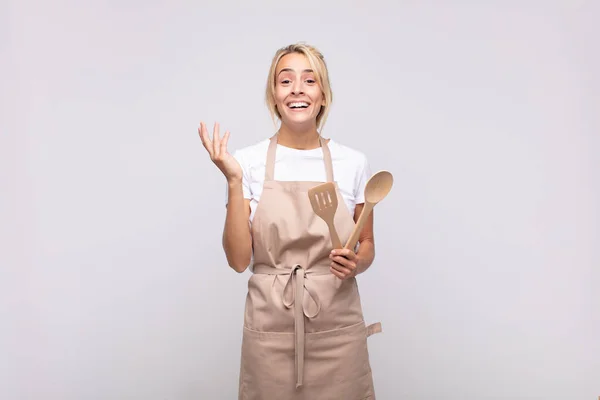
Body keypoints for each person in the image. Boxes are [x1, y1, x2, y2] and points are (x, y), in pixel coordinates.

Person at [198, 42, 381, 399]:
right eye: (286, 80)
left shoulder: (353, 163)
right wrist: (233, 182)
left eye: (309, 80)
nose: (297, 88)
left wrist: (356, 263)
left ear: (323, 94)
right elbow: (238, 261)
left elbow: (368, 244)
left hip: (336, 327)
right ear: (274, 94)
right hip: (272, 327)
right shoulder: (247, 163)